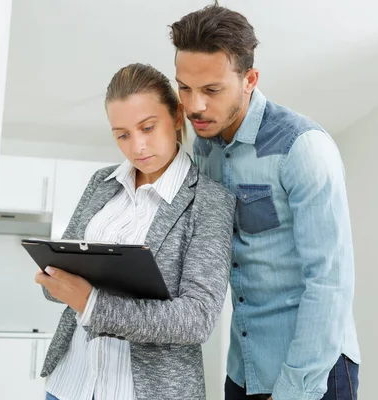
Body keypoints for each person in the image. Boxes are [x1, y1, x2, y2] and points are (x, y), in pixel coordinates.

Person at [169, 6, 361, 400]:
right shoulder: (205, 147)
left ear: (250, 80)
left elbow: (330, 281)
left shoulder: (302, 147)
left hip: (311, 374)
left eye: (211, 90)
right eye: (184, 87)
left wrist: (295, 388)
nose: (194, 106)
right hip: (244, 370)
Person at [35, 63, 236, 400]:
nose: (137, 146)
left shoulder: (210, 201)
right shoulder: (101, 182)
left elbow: (196, 319)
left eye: (147, 127)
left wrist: (92, 303)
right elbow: (60, 277)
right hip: (69, 384)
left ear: (175, 116)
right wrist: (53, 281)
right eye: (123, 135)